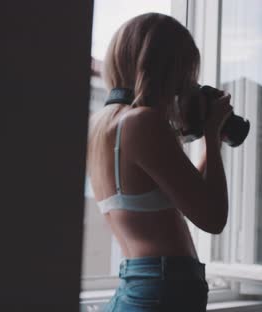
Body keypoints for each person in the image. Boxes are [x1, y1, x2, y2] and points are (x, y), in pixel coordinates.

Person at [86, 13, 232, 312]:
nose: (184, 89)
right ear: (165, 70)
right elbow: (213, 218)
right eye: (183, 77)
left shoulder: (102, 124)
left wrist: (211, 140)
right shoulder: (144, 122)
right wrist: (213, 137)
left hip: (139, 284)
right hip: (165, 290)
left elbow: (186, 198)